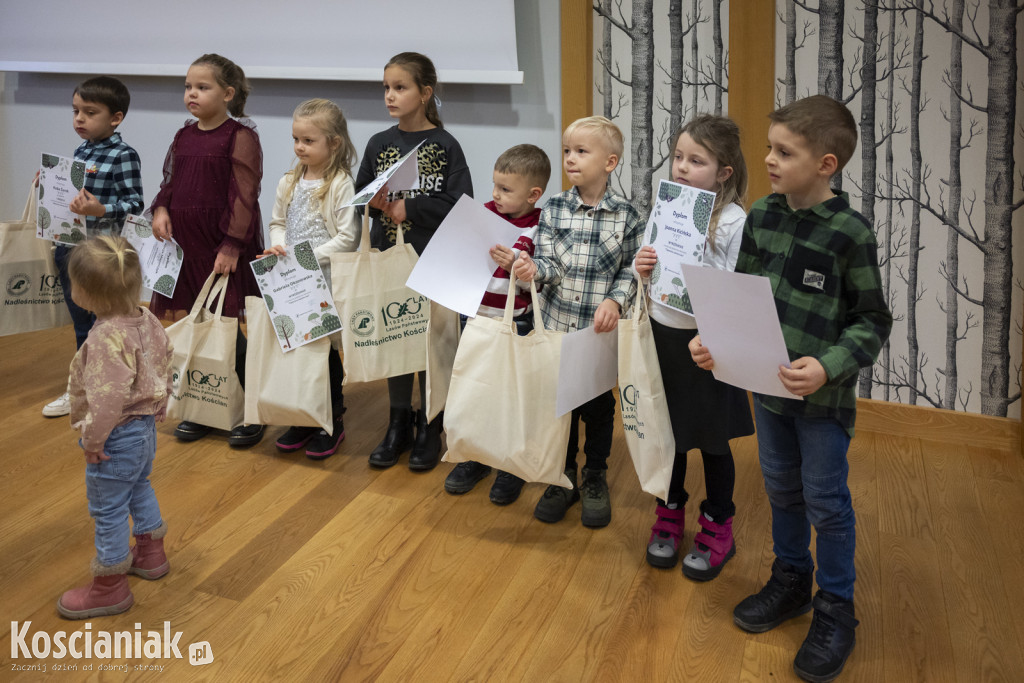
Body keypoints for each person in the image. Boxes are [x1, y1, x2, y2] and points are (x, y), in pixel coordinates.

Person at [689, 95, 892, 682]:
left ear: (826, 164)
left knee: (826, 502)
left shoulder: (849, 233)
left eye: (785, 151)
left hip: (822, 403)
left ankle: (835, 609)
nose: (770, 160)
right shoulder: (763, 215)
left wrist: (827, 366)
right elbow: (741, 298)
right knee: (780, 488)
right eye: (770, 148)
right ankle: (791, 581)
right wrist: (715, 343)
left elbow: (872, 321)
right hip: (767, 393)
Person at [633, 115, 754, 579]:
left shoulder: (733, 220)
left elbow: (739, 286)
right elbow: (647, 266)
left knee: (713, 440)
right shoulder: (667, 206)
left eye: (696, 161)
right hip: (663, 335)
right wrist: (643, 264)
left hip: (707, 346)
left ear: (723, 171)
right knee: (670, 436)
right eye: (679, 157)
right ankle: (669, 513)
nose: (682, 168)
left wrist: (703, 260)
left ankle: (718, 523)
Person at [513, 116, 643, 528]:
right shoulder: (552, 208)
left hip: (597, 334)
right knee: (561, 407)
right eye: (567, 149)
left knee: (598, 408)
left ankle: (595, 476)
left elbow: (632, 271)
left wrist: (615, 301)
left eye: (582, 151)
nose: (570, 158)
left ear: (610, 162)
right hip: (555, 328)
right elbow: (550, 262)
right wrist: (534, 270)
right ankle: (562, 474)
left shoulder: (627, 216)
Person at [355, 52, 473, 472]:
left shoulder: (445, 145)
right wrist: (373, 203)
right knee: (395, 337)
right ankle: (397, 423)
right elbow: (360, 200)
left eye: (400, 87)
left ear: (425, 93)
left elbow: (461, 204)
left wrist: (411, 208)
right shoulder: (378, 143)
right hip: (390, 257)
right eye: (386, 87)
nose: (390, 95)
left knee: (429, 343)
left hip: (434, 259)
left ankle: (431, 424)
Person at [149, 53, 266, 447]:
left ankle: (253, 407)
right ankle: (205, 406)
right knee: (198, 327)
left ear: (228, 93)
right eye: (188, 86)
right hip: (187, 249)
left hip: (221, 248)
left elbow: (245, 194)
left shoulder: (240, 136)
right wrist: (161, 208)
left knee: (227, 330)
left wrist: (233, 244)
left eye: (203, 87)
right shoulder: (183, 135)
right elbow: (170, 180)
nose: (192, 94)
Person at [56, 236, 173, 619]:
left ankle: (109, 587)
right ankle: (152, 554)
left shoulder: (106, 337)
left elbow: (106, 400)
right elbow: (165, 360)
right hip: (144, 431)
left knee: (108, 509)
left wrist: (92, 440)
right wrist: (160, 401)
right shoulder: (147, 318)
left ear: (86, 294)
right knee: (140, 485)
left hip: (116, 437)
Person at [443, 143, 551, 505]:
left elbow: (534, 280)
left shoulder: (541, 226)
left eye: (506, 190)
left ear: (534, 195)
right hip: (474, 317)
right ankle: (476, 455)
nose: (495, 195)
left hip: (517, 322)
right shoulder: (483, 214)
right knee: (475, 388)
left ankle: (510, 464)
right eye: (495, 186)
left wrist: (516, 264)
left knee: (511, 394)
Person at [263, 99, 360, 460]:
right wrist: (277, 248)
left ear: (333, 143)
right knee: (297, 348)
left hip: (325, 281)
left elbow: (347, 237)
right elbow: (277, 223)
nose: (299, 147)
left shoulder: (340, 184)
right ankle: (303, 416)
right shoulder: (289, 181)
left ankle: (330, 420)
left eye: (308, 140)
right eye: (295, 139)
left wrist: (304, 258)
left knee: (324, 352)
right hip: (291, 280)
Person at [43, 76, 144, 419]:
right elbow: (74, 198)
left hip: (103, 254)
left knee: (107, 323)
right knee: (82, 322)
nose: (79, 119)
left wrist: (101, 209)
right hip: (72, 248)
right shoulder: (81, 151)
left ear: (115, 118)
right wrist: (49, 185)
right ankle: (82, 390)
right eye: (75, 111)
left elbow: (134, 203)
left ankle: (114, 389)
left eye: (90, 112)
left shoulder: (123, 154)